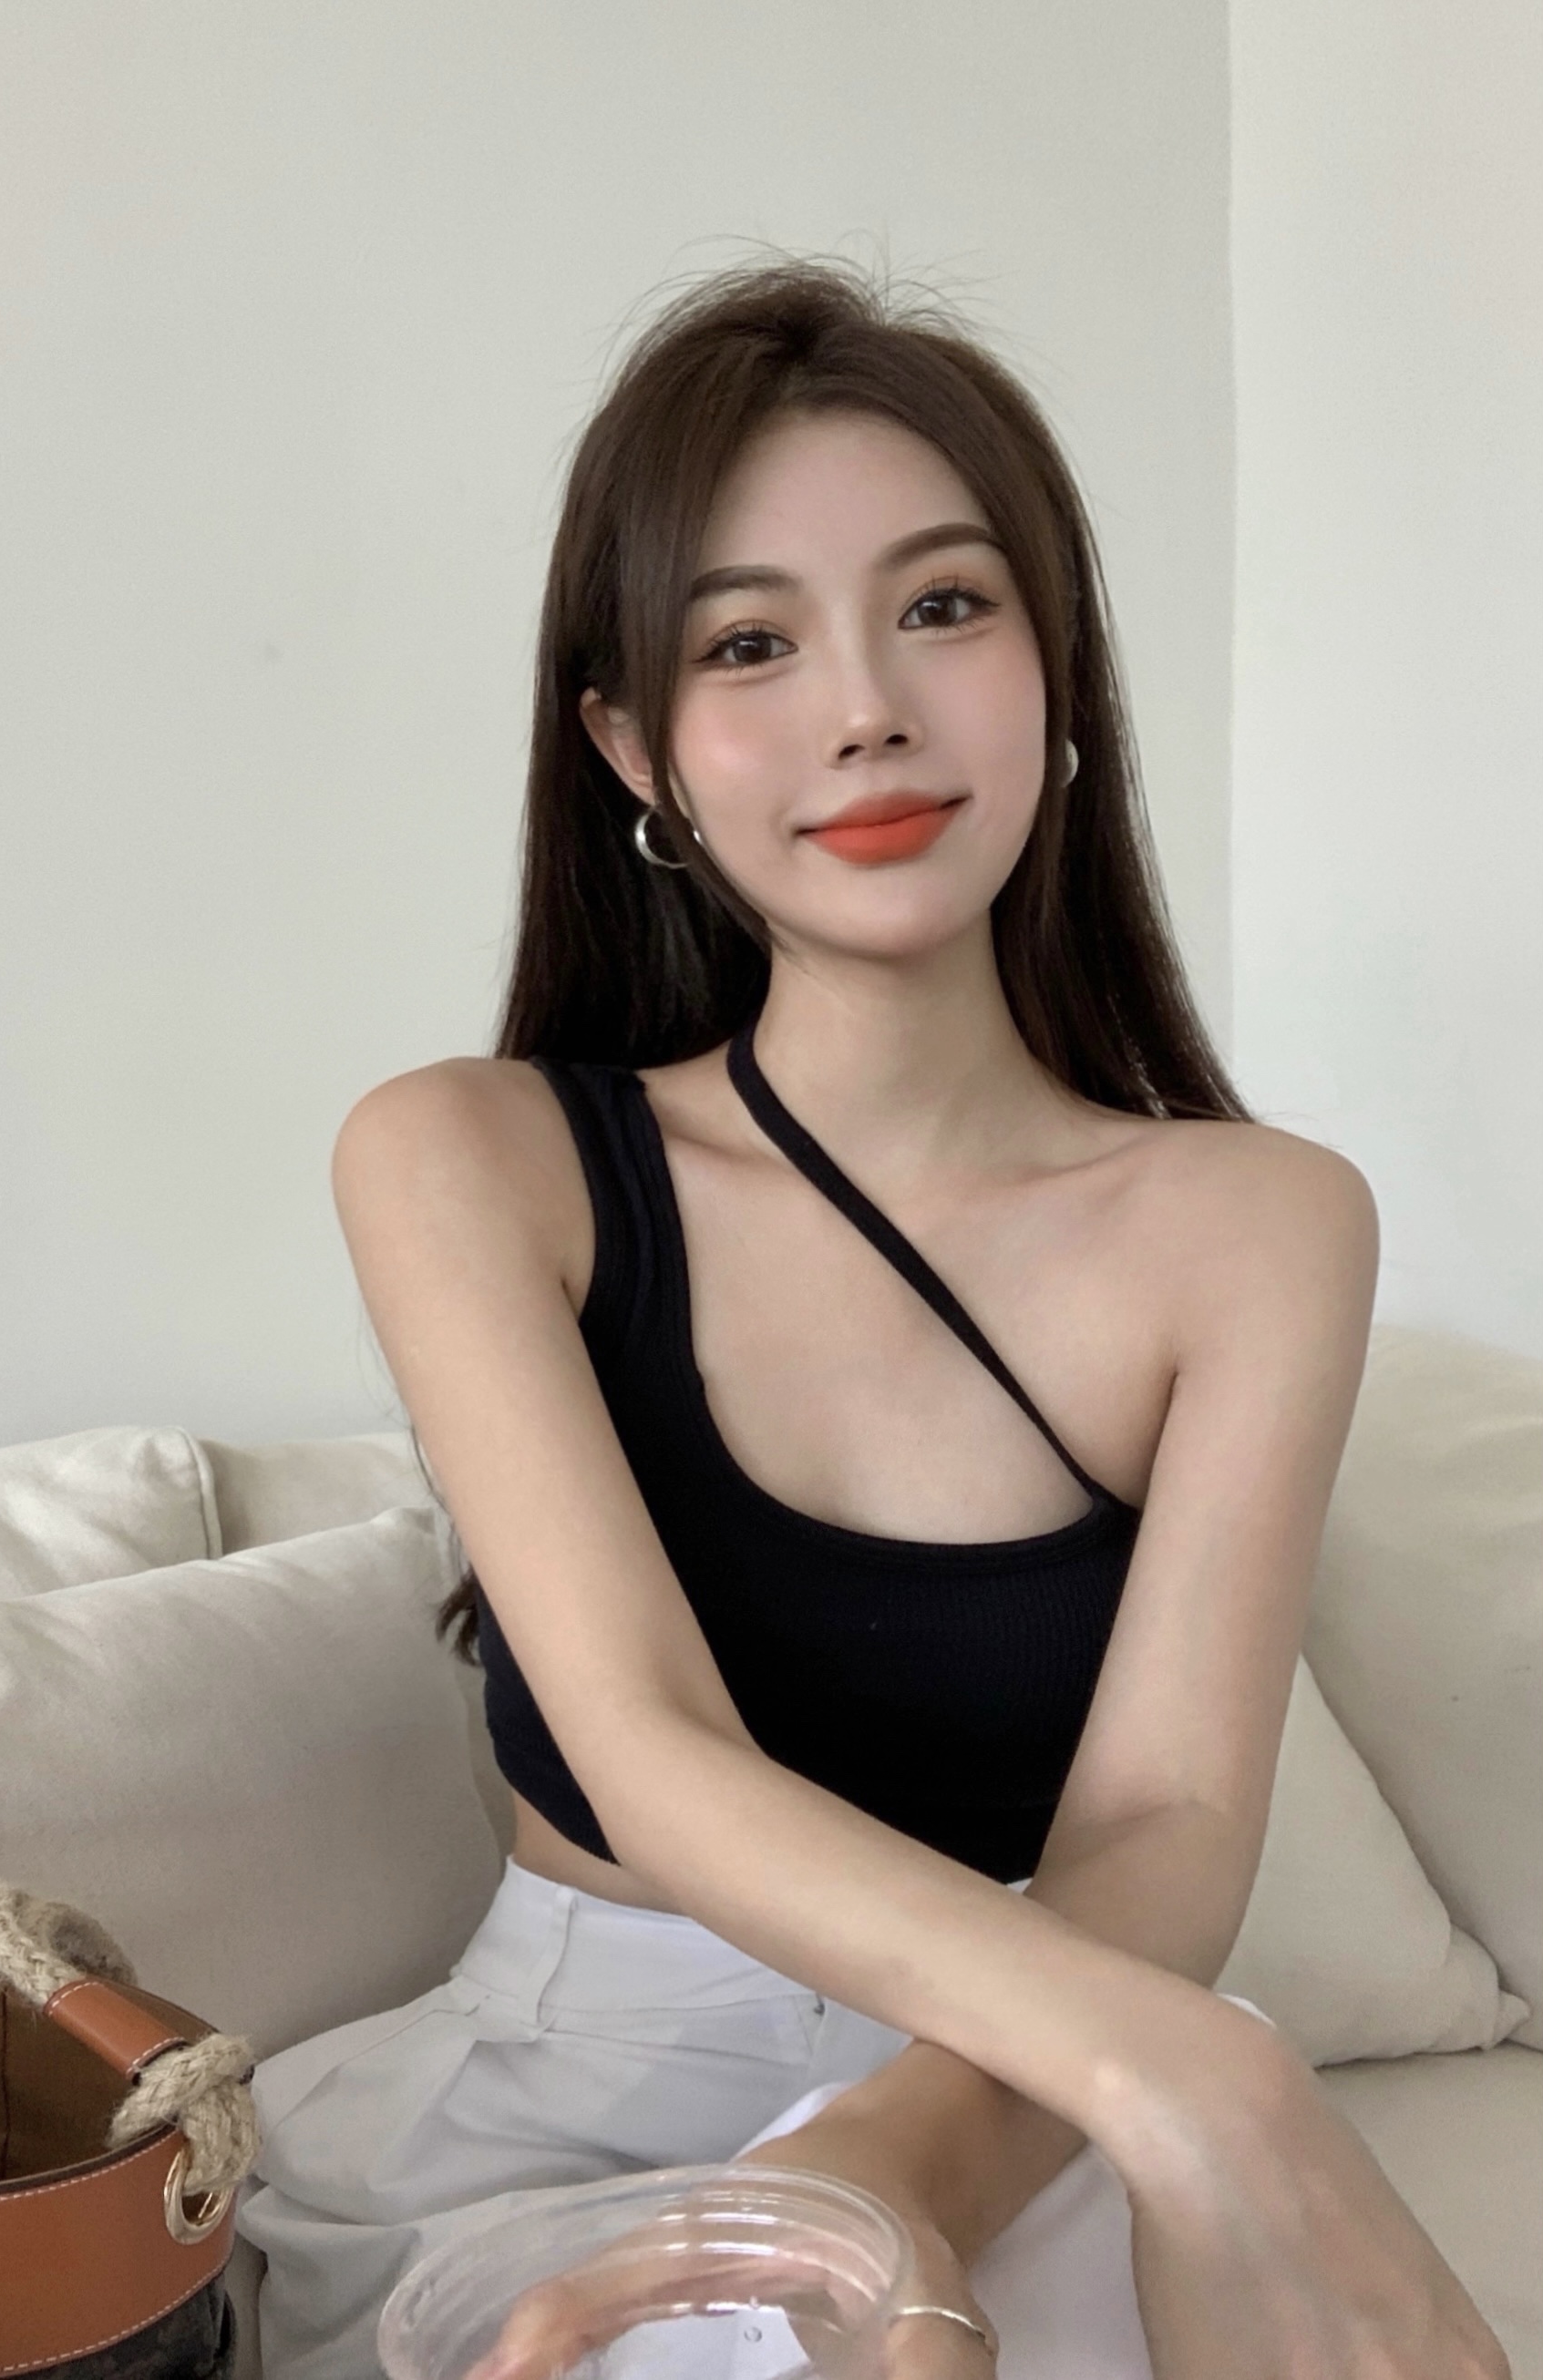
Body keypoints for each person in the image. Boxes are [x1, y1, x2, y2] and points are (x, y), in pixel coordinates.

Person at [237, 261, 1509, 2380]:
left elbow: (1168, 1829)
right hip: (585, 2105)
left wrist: (911, 2157)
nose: (866, 710)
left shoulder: (1263, 1225)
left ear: (1056, 668)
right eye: (749, 642)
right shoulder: (473, 1160)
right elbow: (652, 1757)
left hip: (1031, 2078)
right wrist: (1197, 2074)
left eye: (941, 605)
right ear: (632, 747)